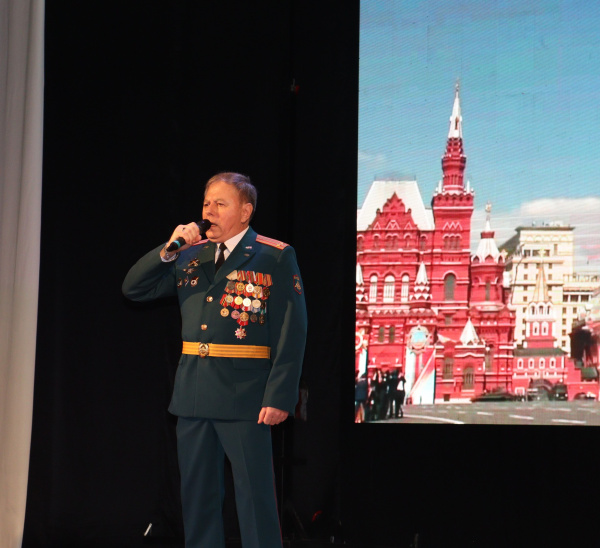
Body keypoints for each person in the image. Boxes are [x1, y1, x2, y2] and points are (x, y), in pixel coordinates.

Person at [122, 172, 307, 548]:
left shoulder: (274, 254)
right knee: (198, 501)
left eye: (220, 204)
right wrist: (168, 249)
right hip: (193, 395)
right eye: (206, 204)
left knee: (255, 501)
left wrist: (280, 395)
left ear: (245, 211)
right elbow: (133, 288)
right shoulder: (188, 255)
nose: (210, 212)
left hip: (246, 396)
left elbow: (293, 328)